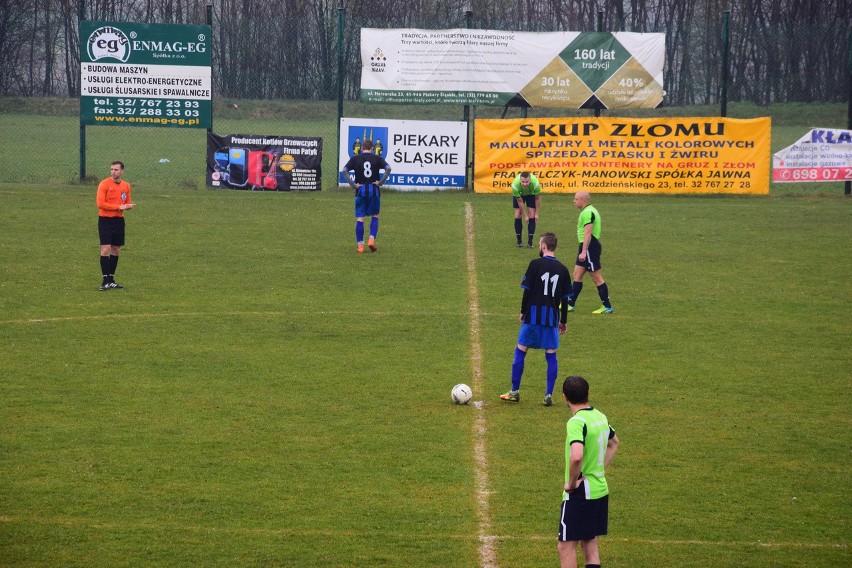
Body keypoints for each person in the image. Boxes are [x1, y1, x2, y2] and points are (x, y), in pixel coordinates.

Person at [501, 232, 571, 406]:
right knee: (551, 355)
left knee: (521, 351)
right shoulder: (563, 270)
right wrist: (563, 321)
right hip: (551, 319)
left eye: (540, 244)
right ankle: (548, 395)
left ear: (544, 246)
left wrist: (523, 311)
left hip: (533, 316)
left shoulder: (535, 264)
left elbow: (527, 291)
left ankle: (515, 391)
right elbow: (564, 299)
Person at [558, 375, 619, 568]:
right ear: (587, 394)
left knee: (565, 547)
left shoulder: (577, 422)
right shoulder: (600, 416)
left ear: (564, 397)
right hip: (600, 489)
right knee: (590, 546)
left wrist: (572, 482)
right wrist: (598, 469)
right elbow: (614, 443)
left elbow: (576, 456)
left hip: (581, 493)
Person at [566, 191, 613, 314]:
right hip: (586, 246)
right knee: (577, 274)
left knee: (596, 277)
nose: (574, 201)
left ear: (583, 200)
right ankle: (570, 304)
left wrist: (584, 251)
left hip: (590, 247)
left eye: (576, 199)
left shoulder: (588, 212)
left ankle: (607, 306)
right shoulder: (587, 211)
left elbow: (588, 233)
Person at [341, 139, 391, 253]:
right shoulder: (377, 158)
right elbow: (388, 168)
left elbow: (344, 170)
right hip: (374, 190)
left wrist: (353, 185)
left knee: (360, 218)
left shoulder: (355, 158)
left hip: (360, 190)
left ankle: (360, 246)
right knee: (375, 215)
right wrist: (381, 182)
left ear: (362, 148)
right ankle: (371, 240)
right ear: (372, 148)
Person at [96, 161, 134, 291]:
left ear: (122, 171)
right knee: (105, 250)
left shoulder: (126, 186)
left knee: (116, 250)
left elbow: (127, 201)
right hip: (105, 220)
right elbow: (100, 204)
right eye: (112, 169)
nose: (113, 172)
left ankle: (111, 280)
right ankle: (104, 281)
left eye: (116, 170)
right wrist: (119, 207)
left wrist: (128, 206)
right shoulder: (104, 184)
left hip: (119, 221)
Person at [511, 171, 542, 248]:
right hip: (520, 195)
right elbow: (520, 201)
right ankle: (519, 241)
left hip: (531, 194)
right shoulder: (515, 185)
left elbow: (537, 199)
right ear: (520, 180)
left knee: (532, 215)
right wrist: (525, 215)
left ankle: (530, 242)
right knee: (518, 214)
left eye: (527, 182)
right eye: (523, 182)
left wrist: (537, 214)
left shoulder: (536, 184)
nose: (525, 184)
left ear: (530, 180)